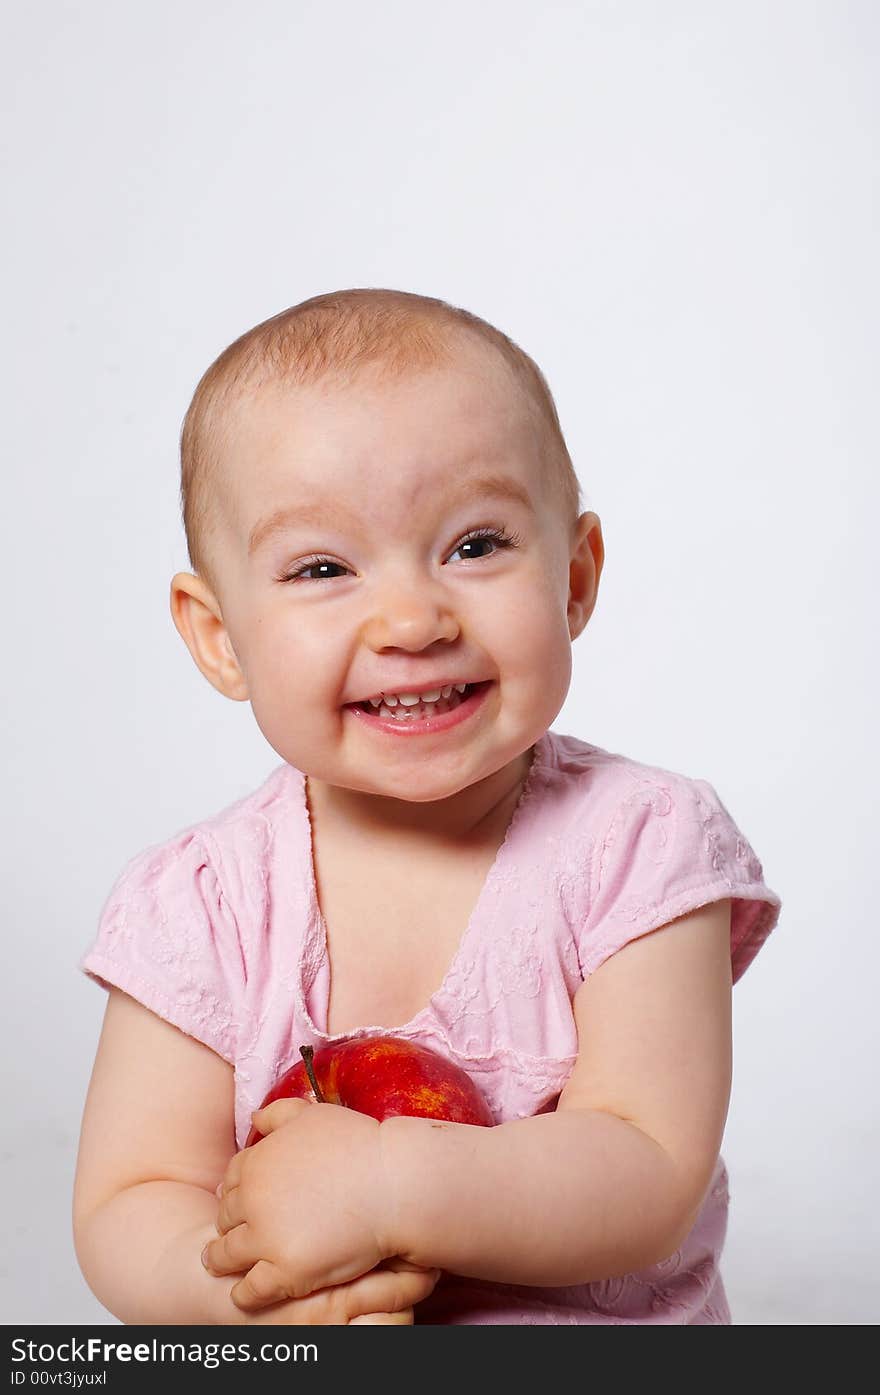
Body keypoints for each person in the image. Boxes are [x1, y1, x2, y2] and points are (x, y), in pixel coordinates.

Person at [73, 287, 781, 1325]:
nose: (410, 619)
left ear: (574, 579)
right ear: (219, 635)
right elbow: (130, 1200)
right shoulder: (200, 905)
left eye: (474, 546)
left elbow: (647, 1165)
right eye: (323, 567)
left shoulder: (641, 846)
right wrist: (259, 1297)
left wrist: (389, 1191)